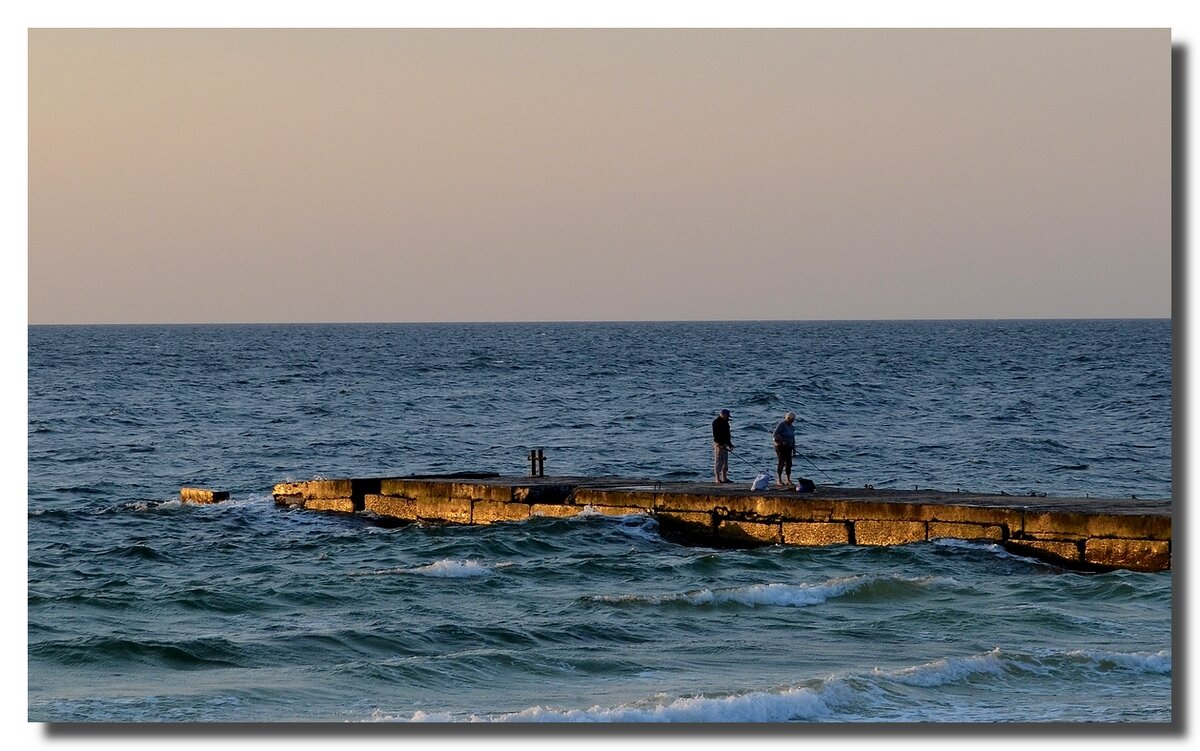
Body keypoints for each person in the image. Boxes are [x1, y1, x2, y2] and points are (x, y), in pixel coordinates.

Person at [773, 411, 796, 487]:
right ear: (788, 418)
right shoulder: (782, 424)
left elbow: (793, 438)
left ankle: (788, 479)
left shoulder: (792, 427)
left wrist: (794, 448)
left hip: (789, 447)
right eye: (791, 420)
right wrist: (782, 441)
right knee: (781, 461)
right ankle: (779, 479)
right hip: (780, 446)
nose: (792, 421)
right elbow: (775, 434)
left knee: (789, 463)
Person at [711, 408, 734, 483]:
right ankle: (717, 479)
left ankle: (724, 478)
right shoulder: (716, 423)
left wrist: (729, 444)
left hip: (725, 444)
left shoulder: (725, 422)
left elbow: (727, 434)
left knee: (725, 462)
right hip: (719, 444)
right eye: (727, 416)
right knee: (719, 461)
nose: (727, 417)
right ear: (722, 414)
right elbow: (716, 435)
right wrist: (720, 445)